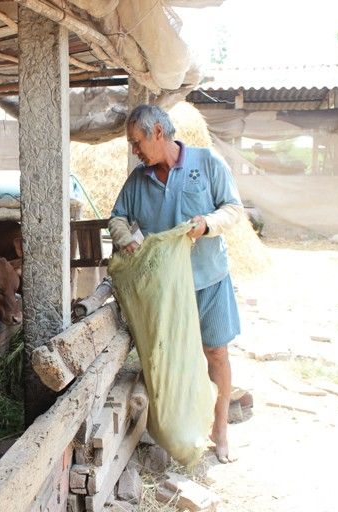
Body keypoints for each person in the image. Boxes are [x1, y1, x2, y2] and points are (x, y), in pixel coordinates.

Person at [109, 104, 243, 464]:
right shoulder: (139, 180)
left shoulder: (207, 163)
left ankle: (220, 428)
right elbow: (117, 217)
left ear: (157, 132)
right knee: (169, 357)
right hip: (164, 292)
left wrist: (206, 224)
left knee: (215, 352)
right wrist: (126, 239)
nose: (134, 151)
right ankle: (179, 426)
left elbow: (233, 209)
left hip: (208, 279)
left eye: (137, 142)